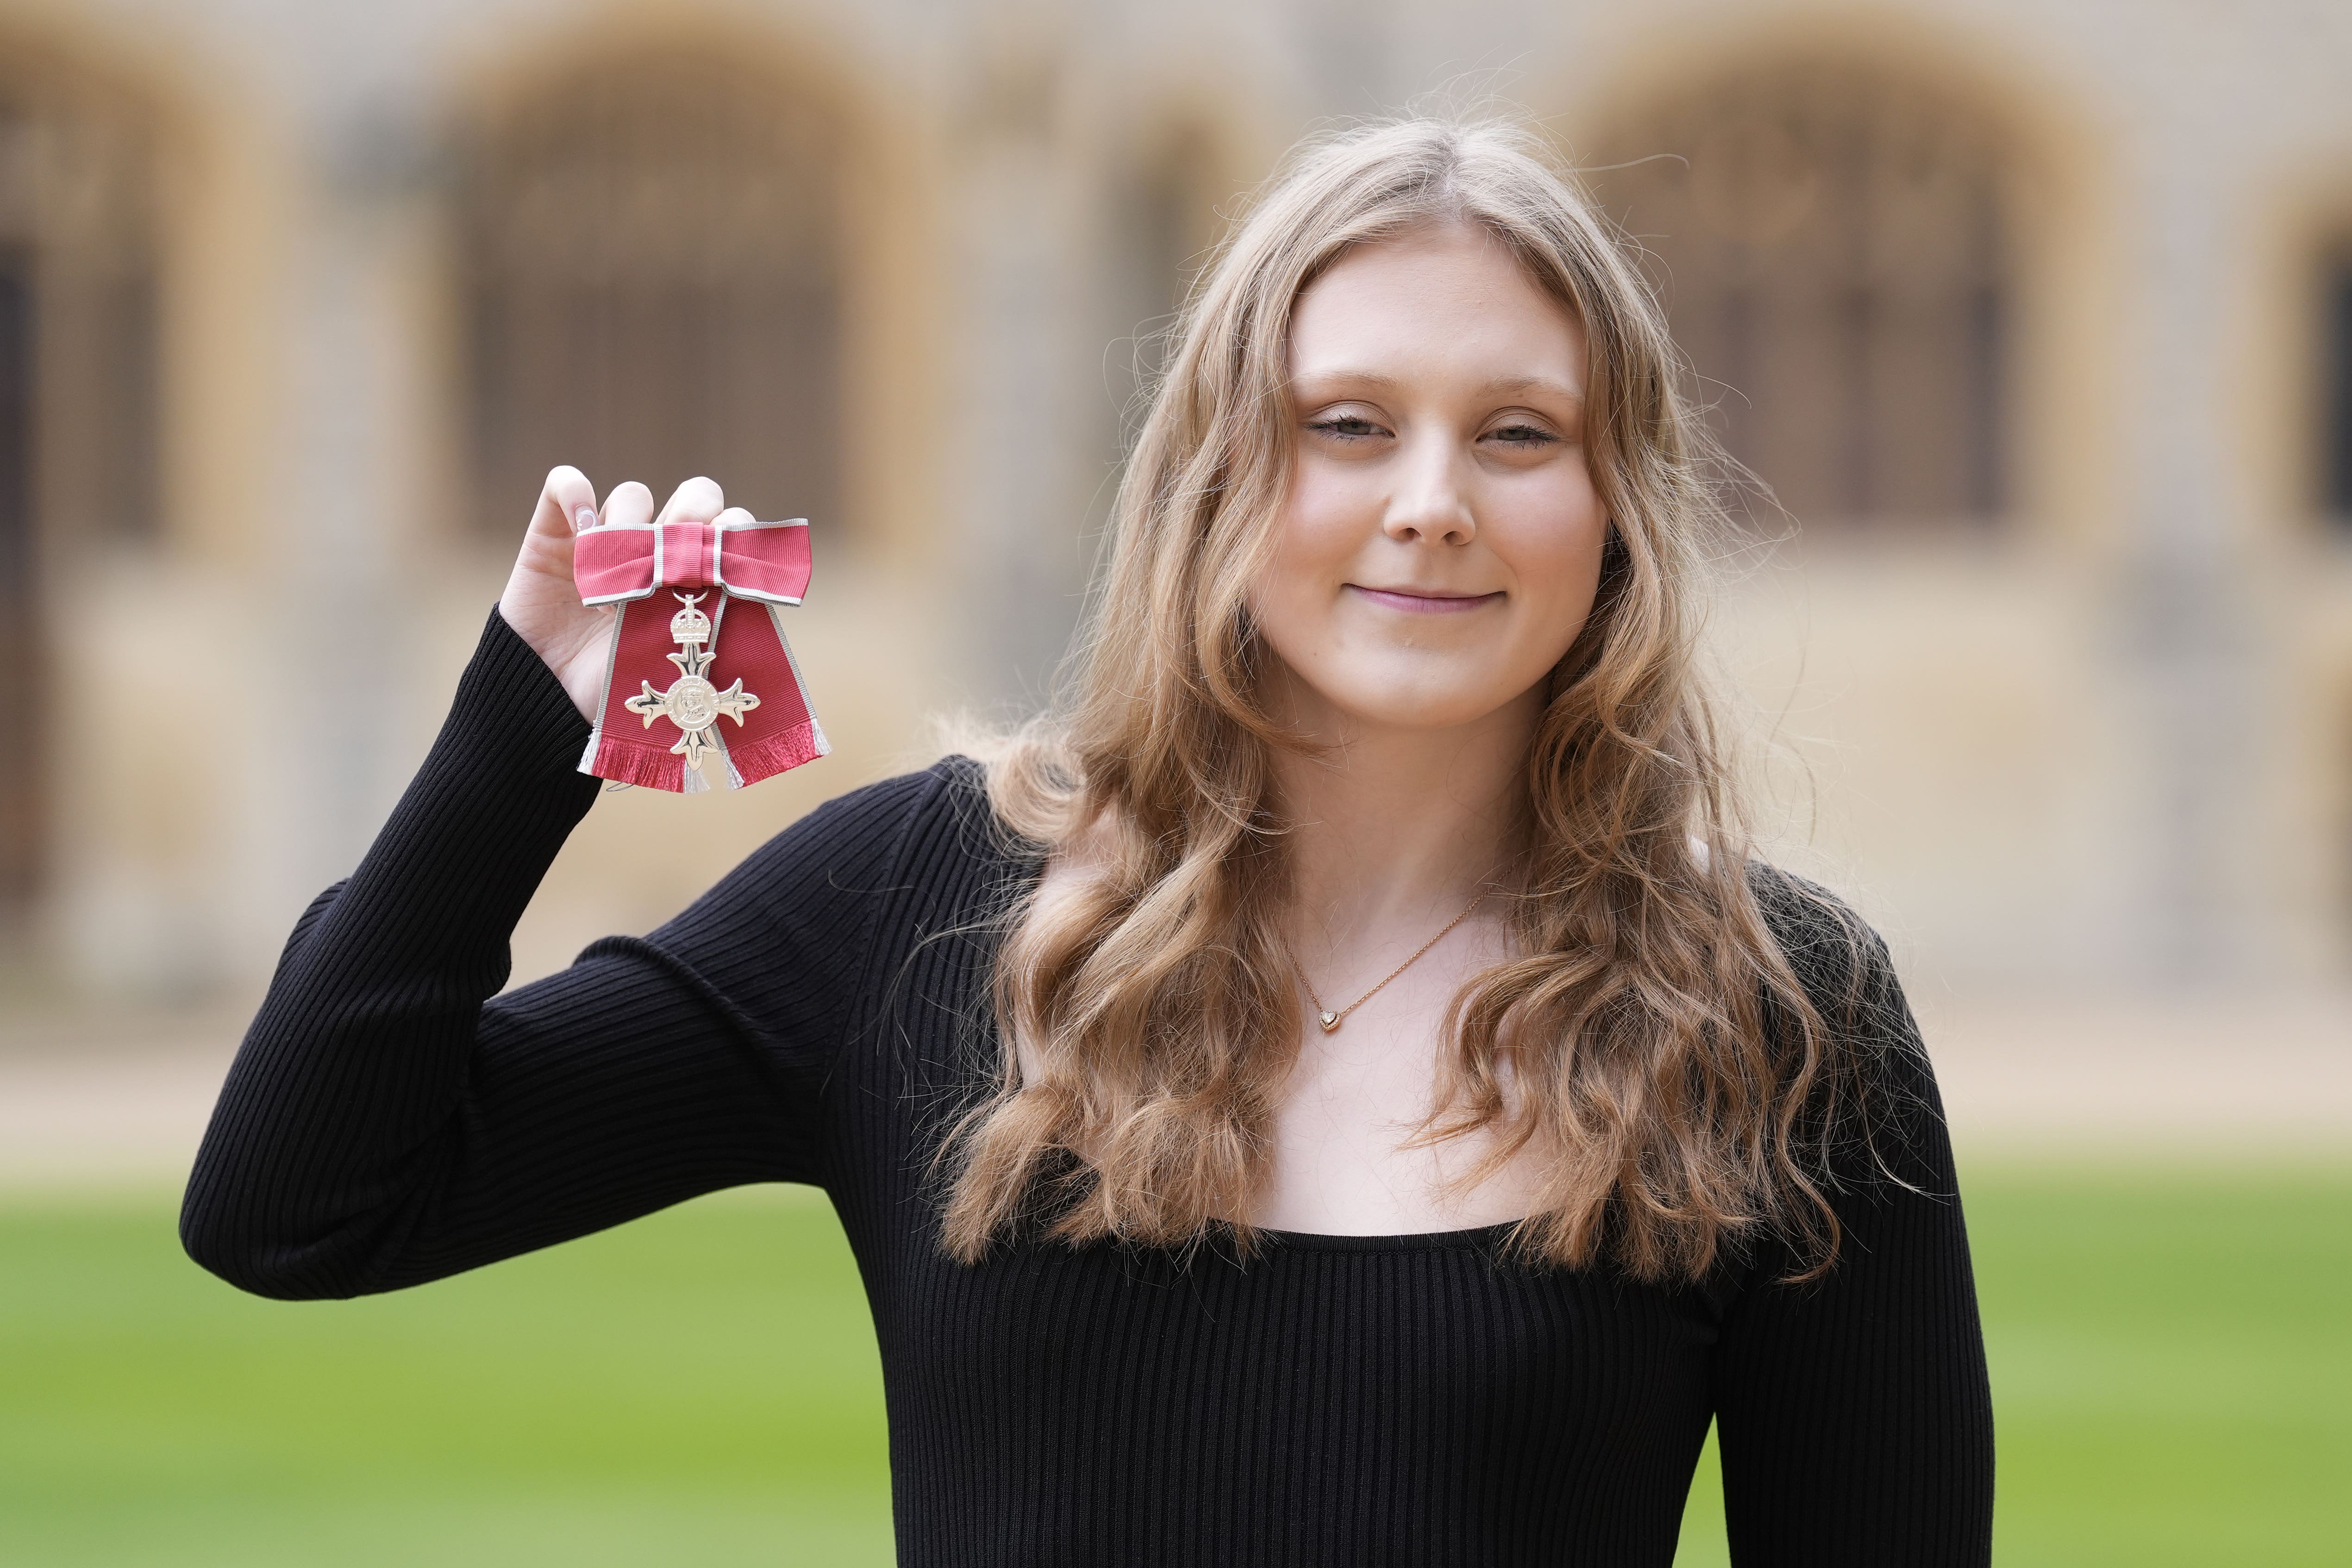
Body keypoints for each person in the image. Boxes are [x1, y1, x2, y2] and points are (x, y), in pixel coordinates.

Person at [184, 118, 1994, 1566]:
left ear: (1613, 510)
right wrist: (521, 733)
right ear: (1216, 476)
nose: (1431, 501)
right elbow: (300, 1202)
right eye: (1346, 425)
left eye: (1517, 433)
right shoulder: (916, 902)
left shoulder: (1778, 1012)